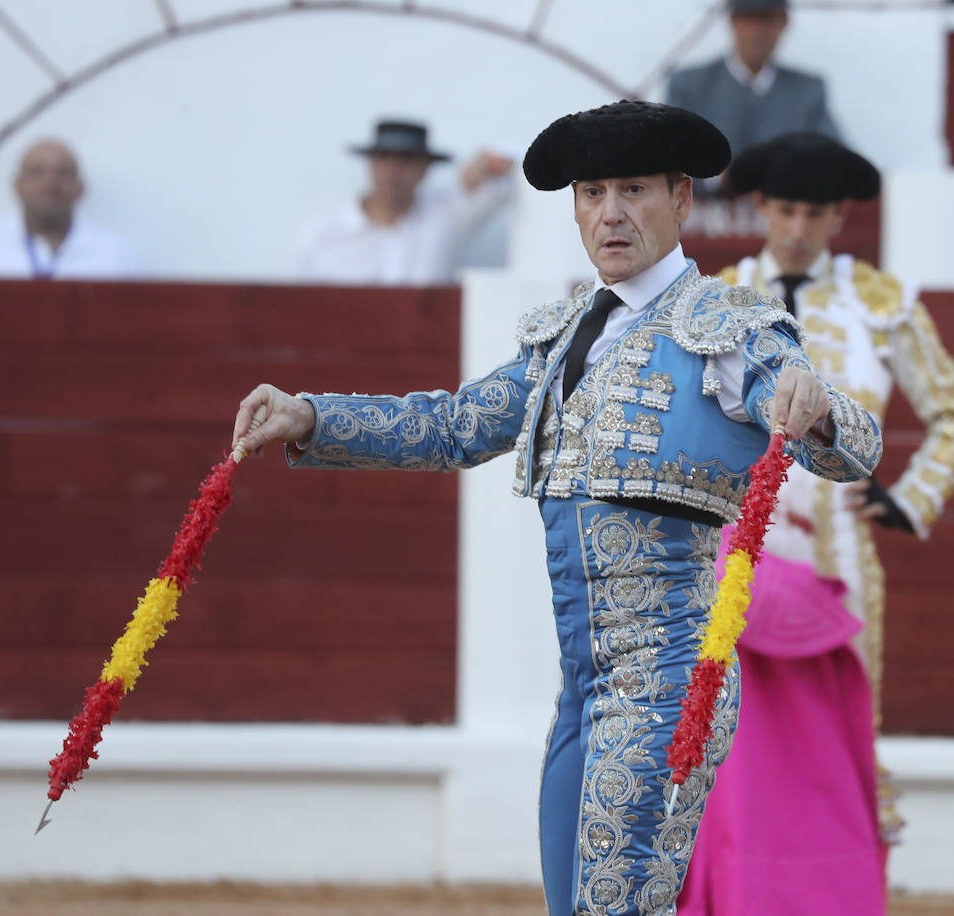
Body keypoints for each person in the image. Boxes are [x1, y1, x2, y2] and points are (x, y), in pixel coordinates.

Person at [232, 101, 883, 916]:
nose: (609, 213)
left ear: (681, 199)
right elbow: (455, 427)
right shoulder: (566, 335)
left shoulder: (730, 329)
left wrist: (815, 404)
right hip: (583, 686)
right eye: (590, 192)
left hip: (668, 681)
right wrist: (313, 417)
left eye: (634, 190)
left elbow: (853, 444)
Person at [676, 132, 954, 915]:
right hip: (729, 553)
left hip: (840, 560)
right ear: (762, 209)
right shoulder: (716, 298)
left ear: (838, 216)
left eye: (814, 212)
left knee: (838, 741)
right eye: (785, 210)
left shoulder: (881, 302)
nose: (799, 228)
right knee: (724, 739)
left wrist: (905, 499)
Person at [294, 119, 515, 285]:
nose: (393, 171)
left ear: (426, 168)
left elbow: (517, 175)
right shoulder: (323, 232)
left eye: (406, 161)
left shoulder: (446, 215)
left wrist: (485, 164)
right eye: (385, 158)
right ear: (370, 164)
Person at [665, 0, 841, 175]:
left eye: (768, 19)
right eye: (749, 18)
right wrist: (717, 179)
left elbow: (836, 159)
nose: (758, 30)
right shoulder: (689, 85)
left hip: (782, 199)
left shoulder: (807, 90)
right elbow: (669, 160)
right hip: (702, 200)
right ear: (733, 21)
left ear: (784, 23)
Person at [0, 139, 141, 279]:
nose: (51, 182)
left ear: (80, 187)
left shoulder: (117, 254)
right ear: (18, 184)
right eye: (37, 172)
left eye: (63, 173)